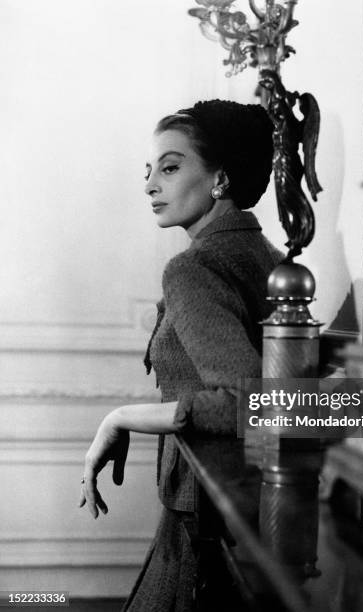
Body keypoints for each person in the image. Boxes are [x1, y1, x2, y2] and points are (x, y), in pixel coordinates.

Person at [79, 99, 283, 611]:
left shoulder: (194, 268)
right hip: (250, 510)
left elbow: (251, 399)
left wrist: (122, 416)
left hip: (202, 521)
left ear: (220, 178)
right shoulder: (268, 257)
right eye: (149, 171)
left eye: (170, 168)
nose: (150, 185)